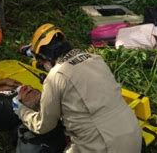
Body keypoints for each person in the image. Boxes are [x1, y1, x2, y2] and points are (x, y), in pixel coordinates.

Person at [13, 24, 142, 153]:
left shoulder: (55, 77)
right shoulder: (95, 59)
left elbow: (44, 125)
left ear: (45, 58)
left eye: (41, 62)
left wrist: (21, 110)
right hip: (134, 137)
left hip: (104, 145)